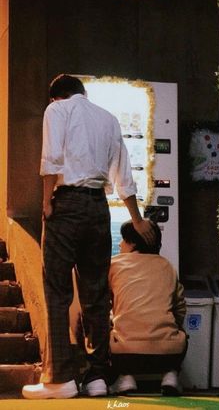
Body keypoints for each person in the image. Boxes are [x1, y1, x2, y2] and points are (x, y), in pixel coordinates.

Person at [22, 74, 155, 399]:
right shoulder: (108, 119)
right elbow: (124, 176)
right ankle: (97, 378)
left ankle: (60, 380)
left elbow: (51, 157)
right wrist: (137, 221)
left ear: (57, 97)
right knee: (96, 294)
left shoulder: (58, 110)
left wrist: (47, 203)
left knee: (57, 290)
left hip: (65, 204)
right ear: (82, 92)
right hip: (98, 208)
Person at [108, 220, 187, 396]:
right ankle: (170, 375)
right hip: (169, 353)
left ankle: (125, 377)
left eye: (123, 239)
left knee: (106, 326)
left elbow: (101, 302)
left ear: (133, 243)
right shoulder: (167, 266)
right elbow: (180, 308)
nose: (120, 244)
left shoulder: (114, 265)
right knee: (179, 330)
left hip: (124, 354)